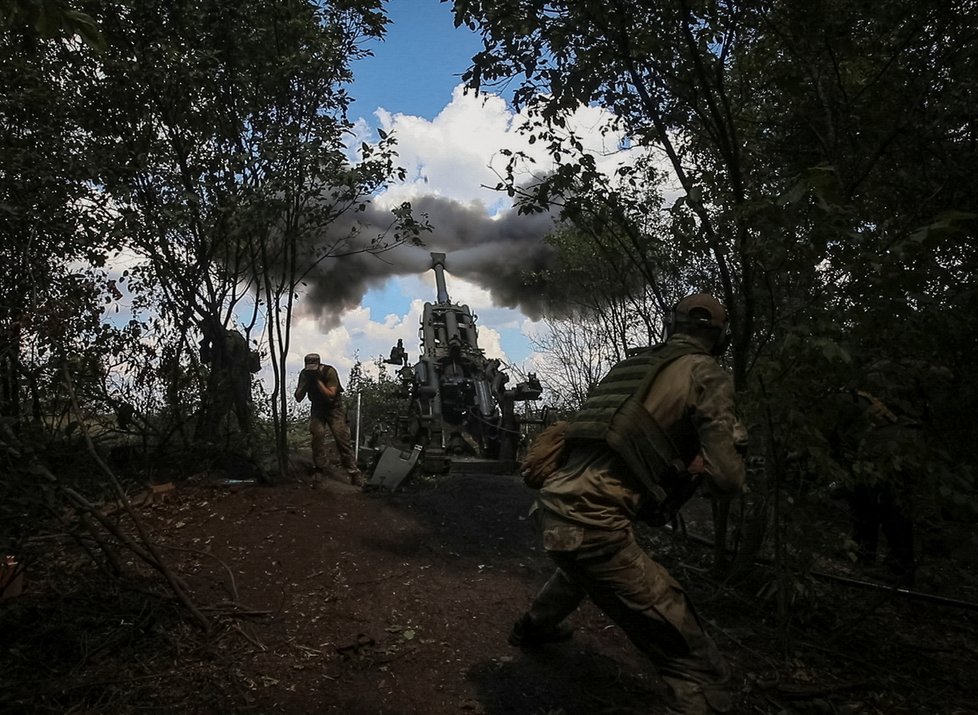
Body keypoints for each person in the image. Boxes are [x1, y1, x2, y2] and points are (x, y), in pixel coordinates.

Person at [510, 293, 746, 715]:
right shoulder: (707, 374)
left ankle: (534, 627)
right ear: (722, 337)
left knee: (583, 565)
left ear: (671, 326)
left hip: (549, 508)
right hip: (593, 525)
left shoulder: (630, 367)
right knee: (696, 664)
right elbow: (727, 479)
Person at [827, 389, 920, 584]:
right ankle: (864, 553)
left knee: (889, 505)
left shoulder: (840, 399)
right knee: (862, 500)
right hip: (875, 446)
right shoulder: (845, 396)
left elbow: (834, 438)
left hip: (886, 444)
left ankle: (900, 567)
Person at [294, 353, 364, 487]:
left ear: (319, 364)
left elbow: (330, 395)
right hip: (318, 409)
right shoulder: (305, 374)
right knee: (317, 436)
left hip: (334, 409)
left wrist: (318, 381)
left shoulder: (329, 372)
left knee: (342, 439)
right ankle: (319, 468)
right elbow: (298, 397)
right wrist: (306, 383)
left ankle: (353, 472)